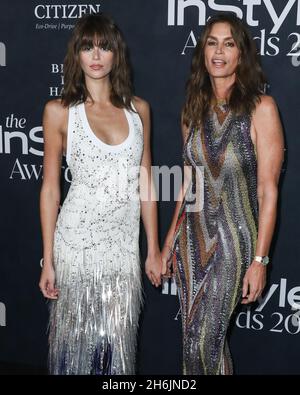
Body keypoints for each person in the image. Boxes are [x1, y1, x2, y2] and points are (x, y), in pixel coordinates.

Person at [39, 13, 162, 375]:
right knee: (72, 351)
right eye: (87, 47)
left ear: (116, 55)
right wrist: (48, 258)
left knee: (115, 353)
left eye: (104, 46)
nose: (96, 55)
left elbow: (146, 181)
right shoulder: (59, 112)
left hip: (123, 249)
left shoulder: (139, 110)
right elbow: (49, 188)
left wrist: (153, 247)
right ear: (75, 55)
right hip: (75, 247)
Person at [161, 13, 284, 375]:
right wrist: (169, 242)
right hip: (190, 240)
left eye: (228, 43)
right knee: (193, 340)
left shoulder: (261, 108)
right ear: (203, 51)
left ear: (241, 54)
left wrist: (260, 261)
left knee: (207, 338)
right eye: (212, 42)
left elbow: (268, 190)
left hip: (235, 240)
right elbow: (187, 182)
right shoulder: (192, 110)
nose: (219, 51)